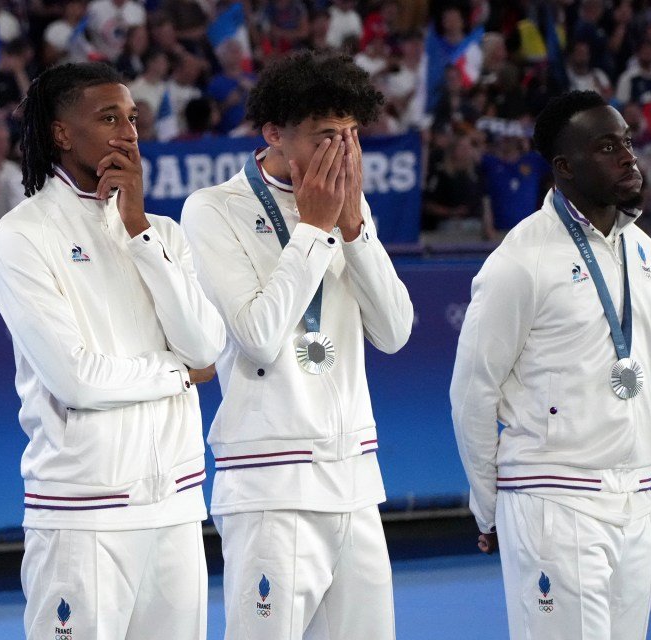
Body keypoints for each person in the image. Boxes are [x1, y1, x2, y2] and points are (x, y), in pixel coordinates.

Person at [181, 50, 413, 640]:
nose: (344, 152)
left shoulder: (351, 210)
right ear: (274, 135)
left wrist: (354, 230)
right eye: (326, 136)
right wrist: (312, 229)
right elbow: (258, 338)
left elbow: (394, 332)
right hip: (271, 485)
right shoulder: (212, 210)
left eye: (352, 134)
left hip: (356, 482)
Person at [0, 62, 226, 640]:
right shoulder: (24, 233)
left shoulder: (162, 232)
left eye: (131, 117)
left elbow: (207, 346)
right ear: (61, 133)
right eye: (107, 118)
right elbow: (79, 381)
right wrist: (177, 374)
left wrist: (139, 230)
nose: (127, 131)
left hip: (176, 504)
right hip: (82, 512)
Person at [450, 90, 651, 640]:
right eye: (607, 147)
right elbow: (472, 393)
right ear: (564, 168)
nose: (628, 157)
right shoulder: (519, 261)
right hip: (552, 498)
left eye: (628, 143)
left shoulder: (645, 252)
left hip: (634, 495)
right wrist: (489, 506)